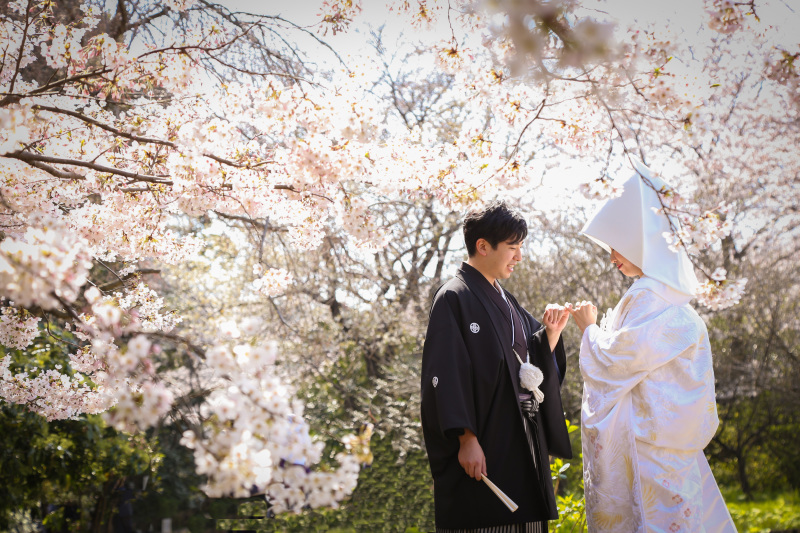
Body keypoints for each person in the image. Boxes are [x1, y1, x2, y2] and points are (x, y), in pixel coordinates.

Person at [569, 160, 736, 532]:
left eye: (618, 247)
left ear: (640, 244)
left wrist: (590, 328)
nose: (612, 256)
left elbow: (616, 361)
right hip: (673, 447)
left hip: (645, 448)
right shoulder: (675, 298)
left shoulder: (647, 296)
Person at [421, 201, 573, 533]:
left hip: (523, 435)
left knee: (527, 521)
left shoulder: (507, 301)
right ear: (483, 246)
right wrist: (465, 437)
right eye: (513, 247)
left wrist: (552, 332)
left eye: (521, 247)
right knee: (490, 520)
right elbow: (445, 373)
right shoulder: (453, 297)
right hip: (486, 439)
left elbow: (532, 357)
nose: (519, 256)